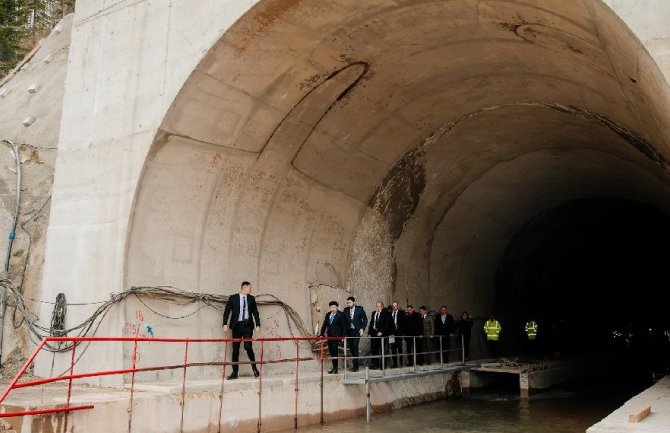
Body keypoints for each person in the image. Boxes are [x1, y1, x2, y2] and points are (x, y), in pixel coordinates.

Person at [223, 281, 261, 379]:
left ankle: (254, 368)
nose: (251, 289)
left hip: (247, 326)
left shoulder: (251, 299)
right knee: (235, 350)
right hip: (236, 326)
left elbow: (255, 312)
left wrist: (258, 324)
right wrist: (224, 324)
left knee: (248, 347)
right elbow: (227, 311)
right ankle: (235, 373)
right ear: (244, 288)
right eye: (250, 288)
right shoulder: (233, 298)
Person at [319, 301, 346, 374]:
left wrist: (343, 337)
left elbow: (344, 327)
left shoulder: (341, 314)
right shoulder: (328, 314)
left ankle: (335, 369)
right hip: (329, 336)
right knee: (331, 351)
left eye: (334, 307)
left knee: (334, 350)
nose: (332, 309)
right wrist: (321, 334)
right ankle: (334, 368)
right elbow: (324, 325)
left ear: (337, 307)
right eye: (331, 307)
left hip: (337, 336)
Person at [342, 296, 367, 372]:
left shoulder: (360, 309)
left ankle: (356, 367)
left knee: (355, 346)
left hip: (357, 331)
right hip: (349, 332)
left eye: (350, 302)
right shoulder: (345, 310)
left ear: (354, 302)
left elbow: (365, 319)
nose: (348, 304)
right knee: (352, 348)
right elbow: (343, 320)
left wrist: (362, 328)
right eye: (347, 303)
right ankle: (355, 364)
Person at [368, 301, 391, 369]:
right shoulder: (374, 313)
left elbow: (387, 324)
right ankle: (375, 364)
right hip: (374, 334)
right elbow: (371, 323)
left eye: (379, 306)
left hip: (382, 335)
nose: (378, 308)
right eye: (377, 306)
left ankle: (383, 366)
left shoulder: (386, 313)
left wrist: (382, 332)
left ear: (382, 306)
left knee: (383, 350)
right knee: (374, 350)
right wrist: (369, 333)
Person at [389, 300, 405, 368]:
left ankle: (401, 363)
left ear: (398, 306)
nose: (394, 307)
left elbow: (404, 323)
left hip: (399, 334)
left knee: (400, 348)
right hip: (392, 335)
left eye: (396, 306)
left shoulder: (402, 313)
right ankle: (395, 364)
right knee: (393, 349)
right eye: (393, 306)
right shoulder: (390, 314)